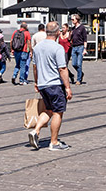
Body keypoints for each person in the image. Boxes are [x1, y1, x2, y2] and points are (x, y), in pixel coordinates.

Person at [27, 22, 72, 151]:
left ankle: (36, 131)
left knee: (49, 110)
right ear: (58, 32)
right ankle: (54, 142)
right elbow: (62, 69)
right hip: (55, 84)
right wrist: (68, 87)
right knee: (58, 112)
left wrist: (36, 82)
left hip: (42, 84)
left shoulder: (37, 48)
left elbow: (34, 67)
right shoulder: (57, 48)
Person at [69, 14, 87, 85]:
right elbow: (70, 39)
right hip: (74, 47)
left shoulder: (82, 28)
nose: (72, 21)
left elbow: (85, 39)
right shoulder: (73, 29)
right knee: (74, 64)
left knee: (79, 64)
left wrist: (85, 49)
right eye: (71, 19)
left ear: (77, 19)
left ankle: (79, 80)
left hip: (80, 47)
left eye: (73, 19)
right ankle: (80, 73)